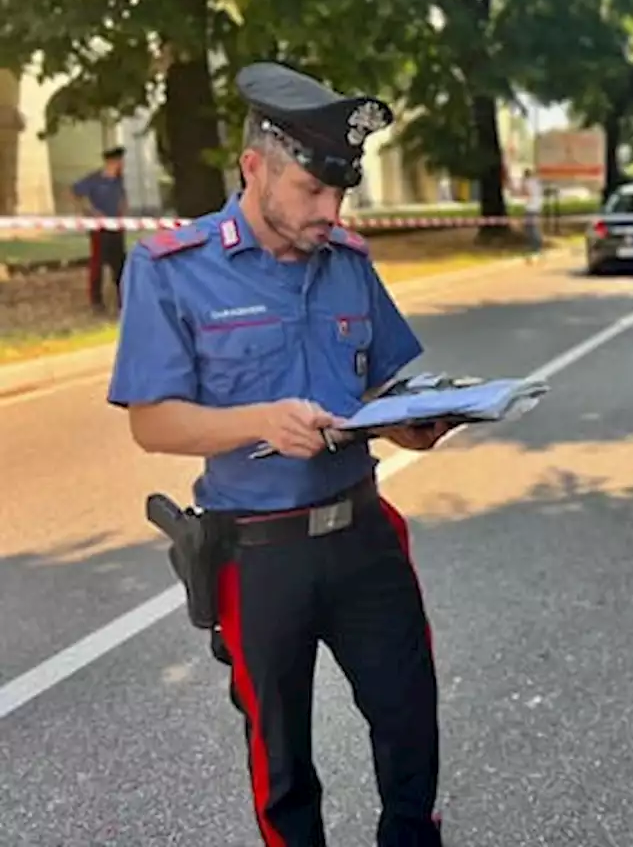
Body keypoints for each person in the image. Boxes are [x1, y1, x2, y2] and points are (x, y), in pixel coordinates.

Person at [107, 61, 449, 847]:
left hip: (365, 537)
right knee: (282, 760)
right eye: (311, 192)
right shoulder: (170, 272)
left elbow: (382, 389)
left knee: (410, 725)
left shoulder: (349, 264)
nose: (329, 212)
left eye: (341, 195)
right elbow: (151, 425)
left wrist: (412, 423)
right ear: (254, 167)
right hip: (259, 558)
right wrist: (255, 420)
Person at [72, 146, 128, 313]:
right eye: (120, 161)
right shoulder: (95, 179)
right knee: (98, 262)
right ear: (112, 162)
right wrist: (90, 212)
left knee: (119, 263)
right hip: (99, 228)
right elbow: (76, 193)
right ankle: (96, 301)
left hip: (116, 227)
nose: (122, 165)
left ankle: (122, 298)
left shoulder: (118, 180)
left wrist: (123, 211)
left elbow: (122, 198)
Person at [523, 167, 543, 260]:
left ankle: (535, 248)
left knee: (530, 228)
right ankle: (537, 247)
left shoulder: (527, 182)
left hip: (530, 208)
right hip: (537, 207)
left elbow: (527, 193)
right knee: (534, 228)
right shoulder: (537, 182)